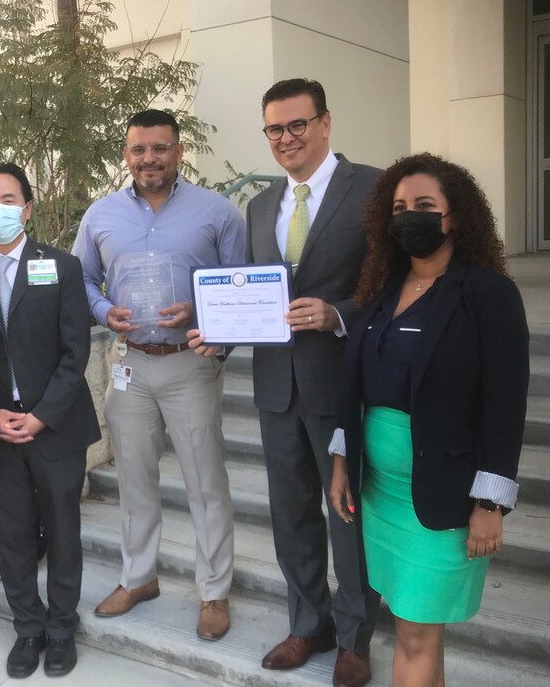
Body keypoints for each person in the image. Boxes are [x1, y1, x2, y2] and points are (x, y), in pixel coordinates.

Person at [189, 79, 380, 685]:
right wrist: (222, 332)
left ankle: (354, 635)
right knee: (290, 512)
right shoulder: (262, 205)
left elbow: (394, 288)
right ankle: (309, 624)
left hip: (341, 384)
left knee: (345, 513)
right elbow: (257, 298)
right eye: (274, 128)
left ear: (325, 123)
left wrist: (339, 313)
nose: (286, 138)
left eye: (297, 125)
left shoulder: (373, 191)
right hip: (276, 387)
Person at [329, 153, 529, 687]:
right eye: (398, 207)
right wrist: (343, 456)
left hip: (444, 494)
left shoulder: (487, 293)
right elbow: (357, 387)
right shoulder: (381, 294)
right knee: (412, 629)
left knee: (416, 634)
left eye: (423, 206)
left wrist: (490, 503)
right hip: (383, 493)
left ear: (455, 216)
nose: (408, 216)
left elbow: (506, 406)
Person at [71, 109, 246, 641]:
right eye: (139, 149)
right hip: (129, 362)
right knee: (134, 479)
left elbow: (239, 289)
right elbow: (81, 279)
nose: (150, 158)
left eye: (160, 148)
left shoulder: (218, 213)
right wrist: (104, 312)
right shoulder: (99, 217)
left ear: (178, 151)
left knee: (206, 483)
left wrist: (203, 314)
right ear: (126, 154)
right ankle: (138, 577)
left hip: (190, 366)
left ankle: (214, 591)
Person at [0, 162, 100, 679]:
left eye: (7, 200)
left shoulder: (62, 266)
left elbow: (75, 351)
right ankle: (28, 629)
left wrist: (38, 416)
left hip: (55, 426)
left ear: (27, 208)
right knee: (11, 535)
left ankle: (61, 630)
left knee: (62, 531)